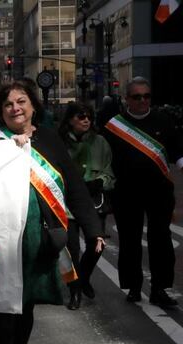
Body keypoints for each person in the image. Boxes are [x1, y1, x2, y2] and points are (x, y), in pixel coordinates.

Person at [0, 81, 105, 344]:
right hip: (4, 237)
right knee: (6, 305)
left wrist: (93, 229)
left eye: (21, 101)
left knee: (28, 304)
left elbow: (74, 186)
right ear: (2, 111)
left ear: (33, 106)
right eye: (8, 104)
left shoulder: (49, 138)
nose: (15, 108)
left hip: (41, 235)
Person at [103, 77, 183, 308]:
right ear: (127, 99)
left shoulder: (163, 120)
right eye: (137, 96)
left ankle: (160, 289)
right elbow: (105, 159)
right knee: (129, 241)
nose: (142, 101)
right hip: (126, 193)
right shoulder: (114, 126)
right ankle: (134, 287)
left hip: (159, 192)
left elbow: (177, 150)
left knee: (161, 240)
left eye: (146, 96)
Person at [58, 102, 115, 310]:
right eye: (81, 116)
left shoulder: (100, 142)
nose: (86, 120)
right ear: (70, 119)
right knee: (71, 249)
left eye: (89, 116)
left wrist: (101, 182)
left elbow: (109, 171)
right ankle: (75, 290)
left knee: (96, 245)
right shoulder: (60, 143)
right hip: (67, 203)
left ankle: (83, 278)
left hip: (93, 203)